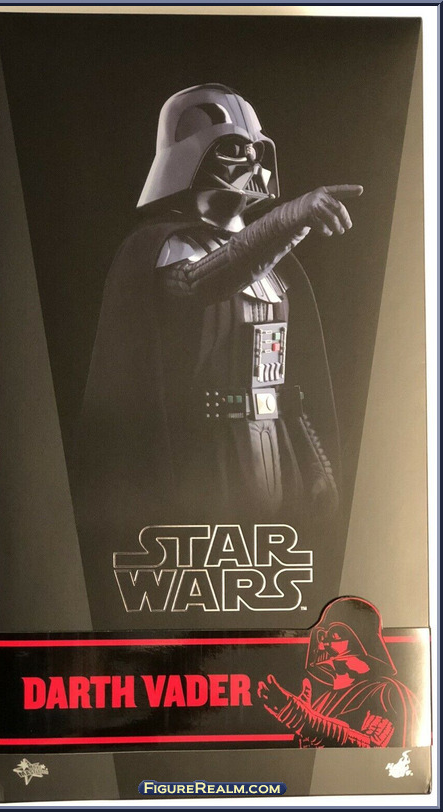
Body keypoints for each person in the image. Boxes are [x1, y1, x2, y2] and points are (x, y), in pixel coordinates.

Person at [77, 83, 363, 534]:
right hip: (203, 452)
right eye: (233, 149)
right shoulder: (163, 246)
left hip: (277, 442)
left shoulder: (275, 262)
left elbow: (287, 377)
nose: (251, 162)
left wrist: (315, 460)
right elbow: (203, 281)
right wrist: (289, 219)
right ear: (188, 158)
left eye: (257, 150)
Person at [257, 597, 420, 748]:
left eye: (335, 635)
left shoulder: (386, 692)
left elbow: (371, 750)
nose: (324, 644)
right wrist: (301, 716)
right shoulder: (321, 702)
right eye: (322, 636)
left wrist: (298, 715)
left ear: (361, 640)